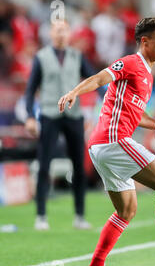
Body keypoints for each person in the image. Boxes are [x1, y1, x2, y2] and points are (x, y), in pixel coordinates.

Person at [58, 17, 155, 266]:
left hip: (102, 146)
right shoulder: (132, 63)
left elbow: (134, 113)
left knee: (126, 210)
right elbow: (100, 78)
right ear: (145, 41)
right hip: (113, 140)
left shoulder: (147, 75)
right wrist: (74, 91)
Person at [24, 20, 102, 231]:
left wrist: (109, 99)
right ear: (51, 33)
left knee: (78, 164)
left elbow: (95, 79)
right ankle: (41, 215)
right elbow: (30, 90)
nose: (60, 34)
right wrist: (31, 116)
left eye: (64, 31)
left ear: (69, 33)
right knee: (44, 163)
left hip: (73, 113)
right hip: (49, 113)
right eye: (57, 31)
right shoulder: (41, 57)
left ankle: (80, 215)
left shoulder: (77, 56)